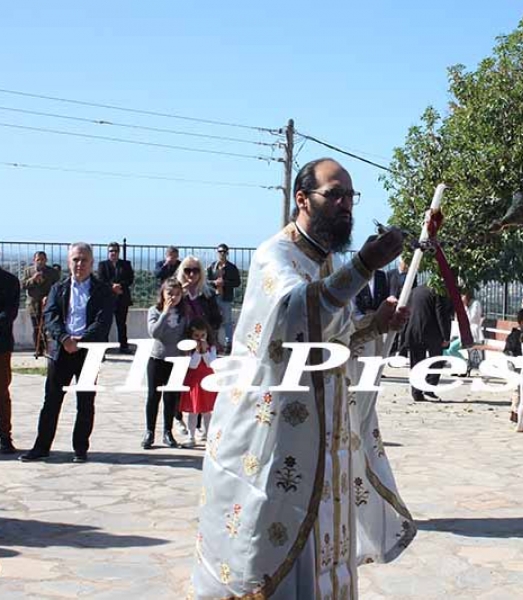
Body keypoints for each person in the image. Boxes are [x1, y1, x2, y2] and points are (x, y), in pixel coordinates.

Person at [191, 157, 413, 599]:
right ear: (302, 199)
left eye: (350, 196)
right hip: (276, 439)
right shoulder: (274, 255)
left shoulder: (325, 264)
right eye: (335, 194)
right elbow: (296, 312)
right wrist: (365, 265)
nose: (345, 204)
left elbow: (332, 339)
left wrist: (374, 325)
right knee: (273, 551)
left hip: (323, 437)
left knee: (323, 546)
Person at [20, 243, 113, 463]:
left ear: (91, 263)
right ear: (69, 262)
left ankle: (80, 448)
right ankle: (41, 447)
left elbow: (103, 320)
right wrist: (64, 338)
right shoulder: (58, 288)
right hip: (61, 350)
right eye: (75, 260)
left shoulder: (102, 290)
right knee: (51, 400)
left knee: (85, 402)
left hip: (88, 351)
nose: (79, 264)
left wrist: (82, 340)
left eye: (84, 260)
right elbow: (50, 315)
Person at [176, 255, 221, 435]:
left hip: (202, 341)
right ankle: (179, 420)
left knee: (201, 385)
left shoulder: (207, 294)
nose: (191, 274)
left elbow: (217, 318)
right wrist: (180, 295)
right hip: (182, 343)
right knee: (182, 384)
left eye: (195, 270)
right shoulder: (178, 292)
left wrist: (206, 333)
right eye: (187, 270)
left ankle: (199, 425)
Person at [143, 278, 187, 450]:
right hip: (157, 359)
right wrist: (165, 313)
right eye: (170, 293)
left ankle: (168, 432)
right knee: (153, 396)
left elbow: (186, 333)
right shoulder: (154, 311)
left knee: (171, 398)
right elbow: (154, 333)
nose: (173, 297)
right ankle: (149, 431)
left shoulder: (183, 314)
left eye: (177, 294)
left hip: (176, 360)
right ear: (162, 293)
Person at [401, 284, 453, 402]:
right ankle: (429, 388)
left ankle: (416, 392)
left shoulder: (415, 290)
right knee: (437, 361)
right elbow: (440, 313)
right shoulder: (438, 291)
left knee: (416, 363)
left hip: (414, 330)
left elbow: (408, 310)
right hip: (432, 332)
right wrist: (446, 336)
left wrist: (404, 334)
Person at [178, 318, 217, 449]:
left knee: (207, 411)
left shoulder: (212, 347)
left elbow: (211, 364)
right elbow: (193, 365)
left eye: (203, 335)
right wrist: (197, 351)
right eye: (196, 335)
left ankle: (208, 435)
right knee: (193, 410)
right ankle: (191, 436)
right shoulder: (188, 349)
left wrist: (204, 351)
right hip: (194, 381)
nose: (200, 338)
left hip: (207, 380)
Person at [97, 241, 135, 353]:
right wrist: (112, 286)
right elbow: (101, 280)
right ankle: (103, 348)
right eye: (111, 251)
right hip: (107, 299)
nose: (113, 253)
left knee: (121, 324)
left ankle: (123, 347)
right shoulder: (103, 265)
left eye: (115, 251)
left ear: (119, 252)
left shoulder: (126, 264)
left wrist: (119, 286)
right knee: (105, 324)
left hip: (122, 298)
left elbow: (130, 279)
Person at [21, 251, 60, 357]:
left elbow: (57, 287)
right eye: (38, 260)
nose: (40, 262)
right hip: (33, 304)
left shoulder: (52, 272)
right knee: (37, 327)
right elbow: (22, 285)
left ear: (46, 260)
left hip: (47, 303)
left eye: (42, 259)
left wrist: (50, 297)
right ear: (34, 260)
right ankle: (38, 349)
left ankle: (48, 348)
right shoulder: (28, 271)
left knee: (47, 327)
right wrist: (33, 280)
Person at [207, 243, 241, 354]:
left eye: (224, 252)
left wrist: (224, 283)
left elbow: (237, 282)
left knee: (227, 321)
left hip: (226, 298)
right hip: (214, 297)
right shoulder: (212, 266)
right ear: (217, 253)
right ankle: (214, 343)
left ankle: (228, 344)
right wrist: (215, 283)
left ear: (227, 253)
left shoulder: (232, 268)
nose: (222, 254)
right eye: (220, 252)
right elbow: (206, 281)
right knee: (214, 321)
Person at [0, 265, 20, 454]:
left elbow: (8, 314)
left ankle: (4, 437)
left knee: (1, 393)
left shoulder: (9, 281)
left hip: (1, 344)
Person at [444, 289, 484, 375]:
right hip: (462, 334)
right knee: (447, 350)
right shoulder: (465, 306)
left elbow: (471, 319)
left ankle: (465, 364)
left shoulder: (475, 304)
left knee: (451, 349)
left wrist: (464, 307)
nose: (461, 298)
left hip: (472, 334)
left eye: (463, 295)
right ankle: (459, 367)